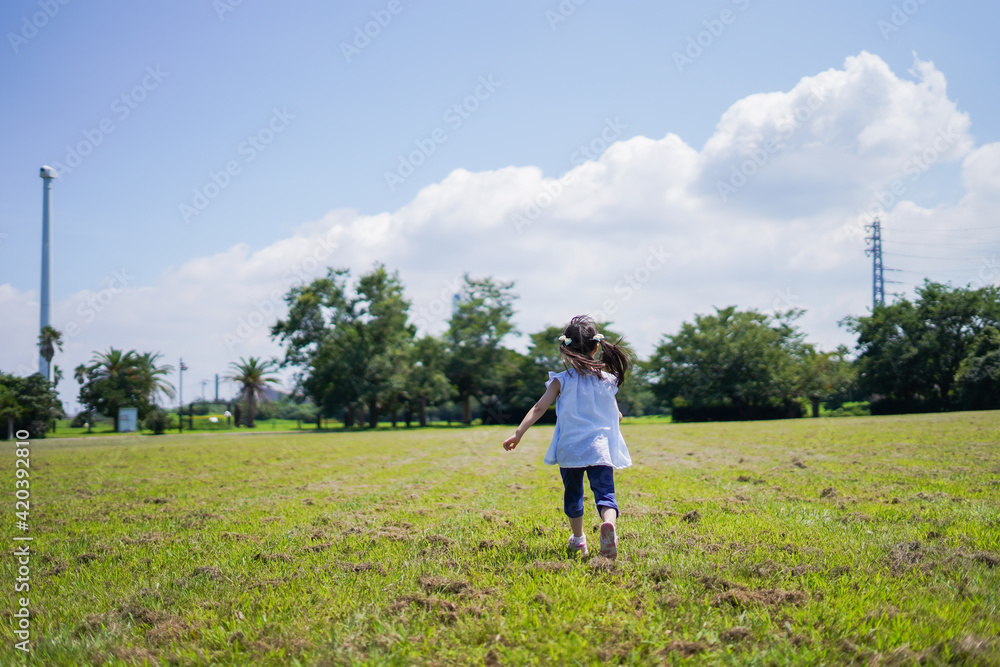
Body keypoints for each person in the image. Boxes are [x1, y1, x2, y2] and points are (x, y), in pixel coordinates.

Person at [502, 315, 634, 559]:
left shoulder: (561, 380)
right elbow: (616, 416)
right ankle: (610, 527)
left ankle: (580, 541)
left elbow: (539, 408)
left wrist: (518, 433)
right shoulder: (608, 380)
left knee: (573, 495)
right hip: (600, 449)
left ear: (566, 349)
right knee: (605, 494)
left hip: (571, 449)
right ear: (596, 347)